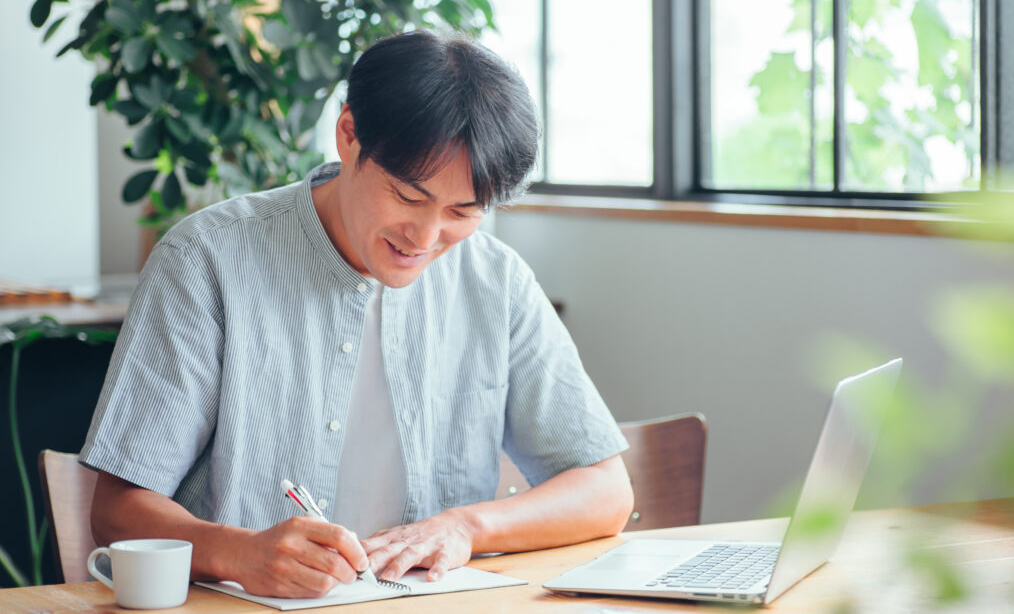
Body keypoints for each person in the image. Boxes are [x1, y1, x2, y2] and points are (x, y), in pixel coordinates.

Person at [80, 30, 633, 599]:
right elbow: (118, 512)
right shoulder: (207, 259)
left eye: (462, 212)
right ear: (349, 135)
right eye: (409, 197)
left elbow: (607, 491)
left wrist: (465, 526)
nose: (425, 237)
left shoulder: (496, 280)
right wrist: (240, 552)